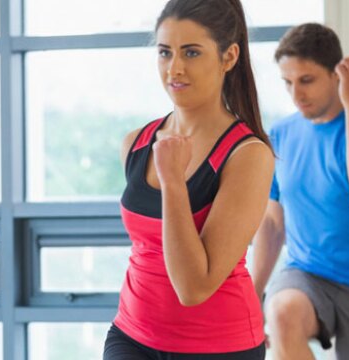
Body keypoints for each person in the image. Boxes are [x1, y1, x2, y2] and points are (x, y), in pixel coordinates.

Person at [104, 0, 274, 358]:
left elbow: (194, 288)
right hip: (131, 335)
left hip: (219, 346)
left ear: (228, 57)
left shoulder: (248, 155)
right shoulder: (135, 143)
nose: (174, 68)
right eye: (165, 53)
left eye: (191, 53)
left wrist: (173, 182)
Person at [253, 23, 349, 360]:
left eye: (306, 80)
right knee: (281, 314)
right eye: (288, 83)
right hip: (307, 274)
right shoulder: (280, 134)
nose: (297, 94)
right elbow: (273, 224)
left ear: (336, 76)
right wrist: (252, 293)